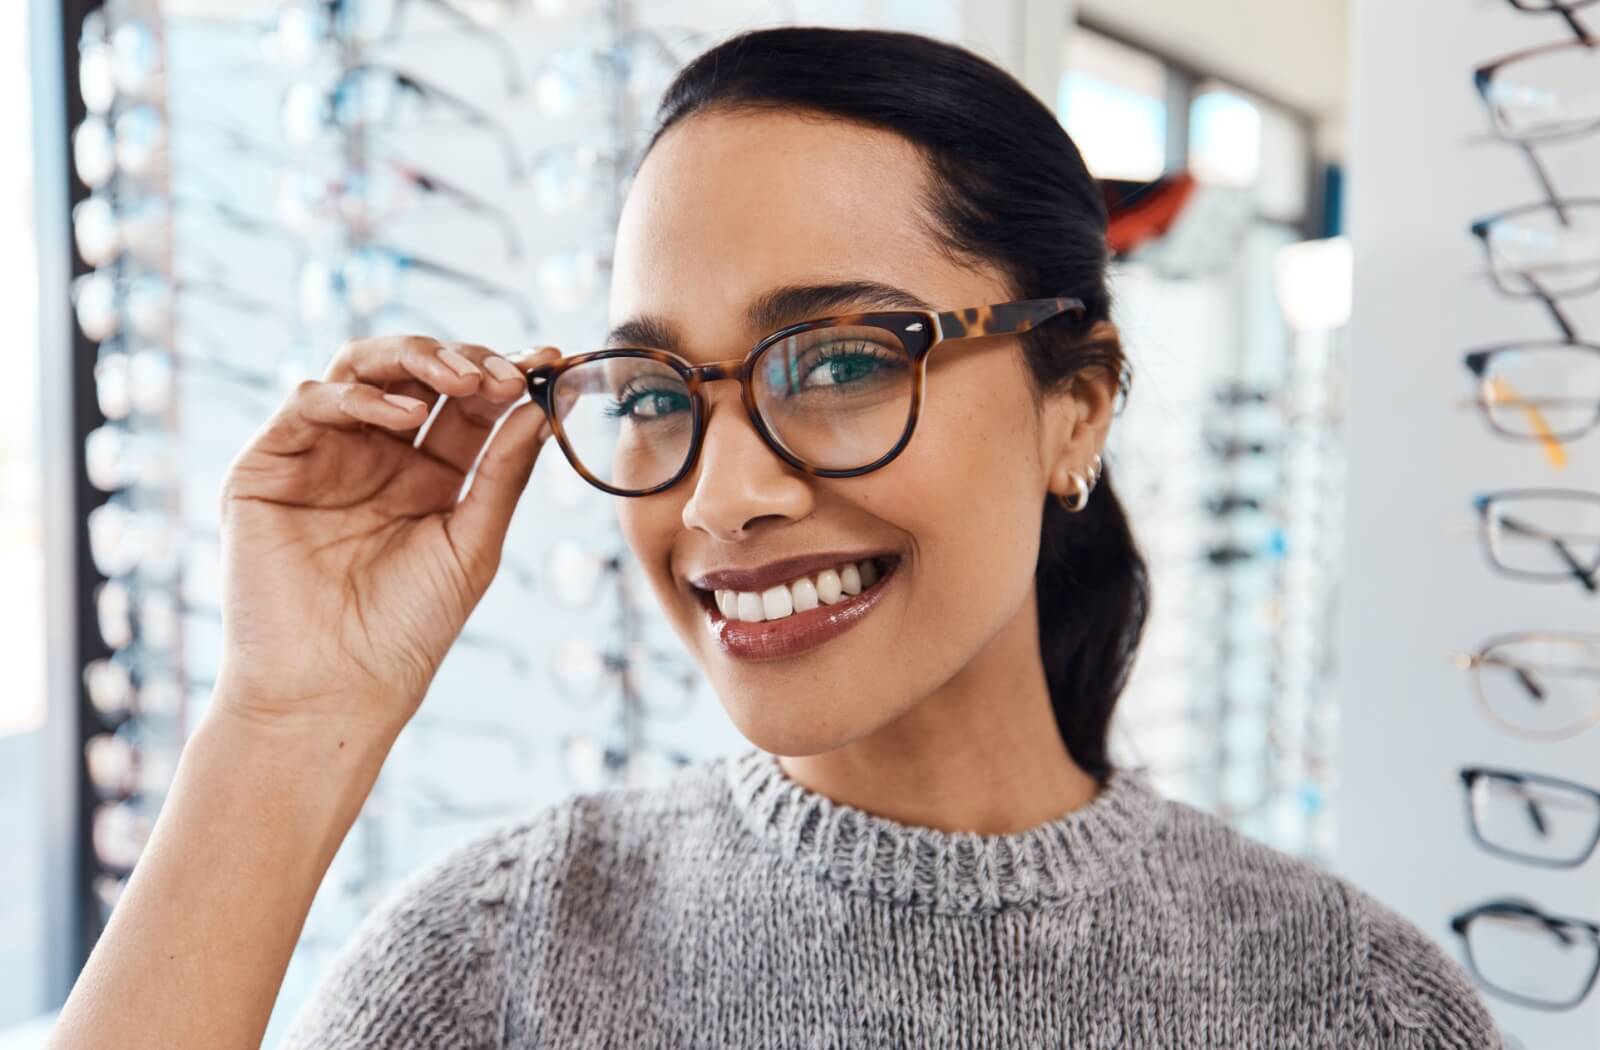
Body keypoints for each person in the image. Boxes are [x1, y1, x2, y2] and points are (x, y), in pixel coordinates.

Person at [49, 25, 1503, 1050]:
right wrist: (283, 721)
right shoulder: (495, 958)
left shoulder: (1349, 1005)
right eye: (654, 390)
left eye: (842, 360)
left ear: (1077, 407)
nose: (719, 497)